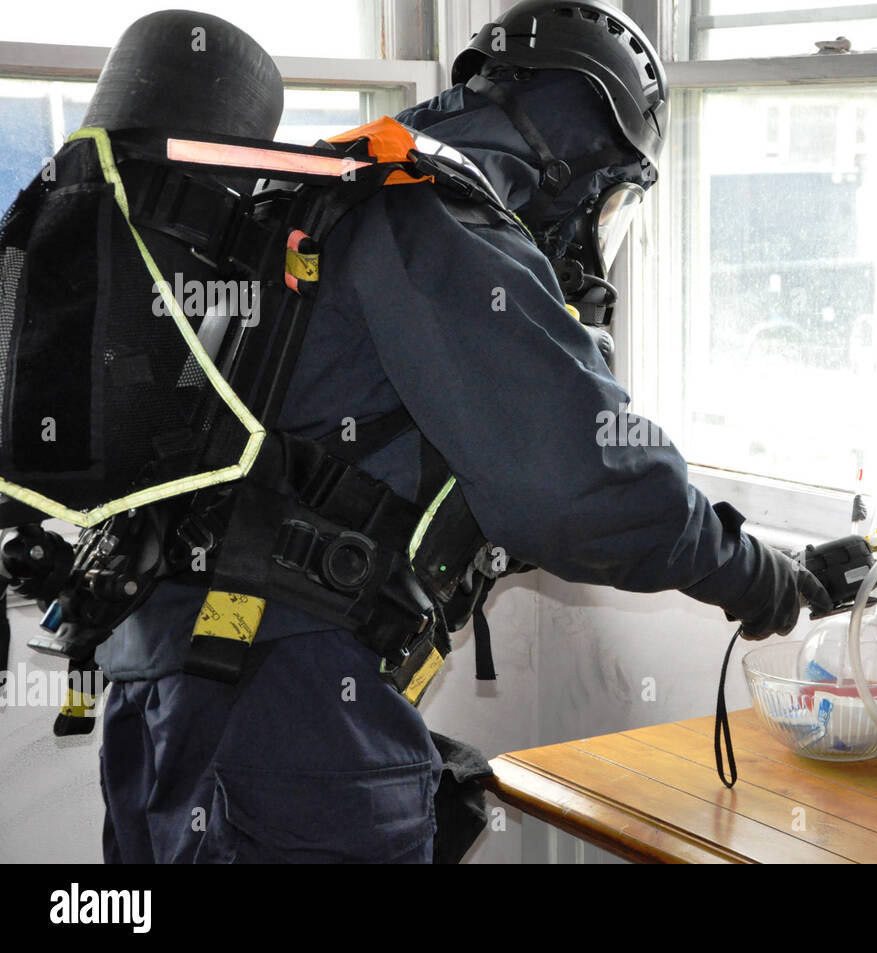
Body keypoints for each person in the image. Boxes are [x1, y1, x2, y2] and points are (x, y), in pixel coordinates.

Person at [88, 2, 831, 864]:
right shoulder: (438, 215)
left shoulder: (331, 185)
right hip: (286, 707)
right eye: (615, 195)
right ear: (578, 154)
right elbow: (582, 486)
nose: (602, 230)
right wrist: (758, 576)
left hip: (161, 684)